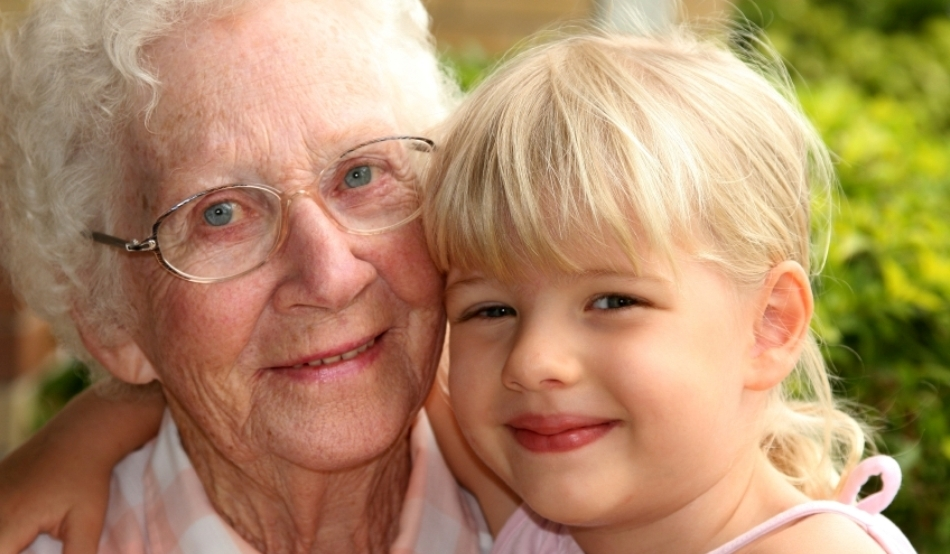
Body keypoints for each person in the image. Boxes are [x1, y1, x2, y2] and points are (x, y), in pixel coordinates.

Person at [0, 0, 498, 551]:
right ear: (107, 312)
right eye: (221, 213)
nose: (331, 278)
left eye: (360, 174)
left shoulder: (575, 504)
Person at [421, 30, 917, 553]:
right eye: (490, 309)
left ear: (770, 323)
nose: (531, 360)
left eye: (614, 301)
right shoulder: (535, 531)